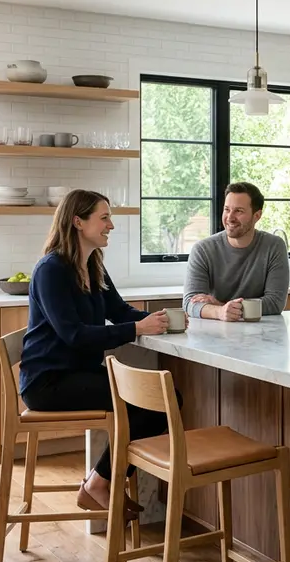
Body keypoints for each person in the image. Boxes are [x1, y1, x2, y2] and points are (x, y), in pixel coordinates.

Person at [19, 189, 178, 520]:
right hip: (48, 382)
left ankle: (100, 481)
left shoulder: (92, 266)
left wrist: (158, 321)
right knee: (158, 400)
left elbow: (119, 311)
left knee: (164, 397)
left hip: (79, 374)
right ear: (78, 222)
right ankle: (100, 483)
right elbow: (73, 335)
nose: (111, 226)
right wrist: (138, 329)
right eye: (104, 217)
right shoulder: (51, 270)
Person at [183, 182, 290, 321]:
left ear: (257, 216)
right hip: (213, 335)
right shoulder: (203, 249)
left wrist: (223, 306)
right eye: (227, 209)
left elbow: (275, 303)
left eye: (239, 211)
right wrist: (220, 312)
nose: (230, 217)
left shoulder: (274, 246)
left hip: (260, 334)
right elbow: (190, 303)